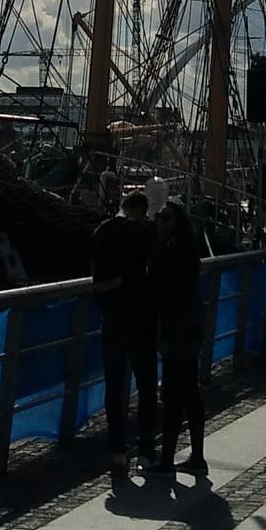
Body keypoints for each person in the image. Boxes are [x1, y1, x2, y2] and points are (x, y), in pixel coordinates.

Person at [90, 185, 158, 483]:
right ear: (142, 211)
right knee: (145, 384)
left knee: (114, 386)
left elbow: (95, 271)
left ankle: (117, 449)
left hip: (111, 316)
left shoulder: (102, 232)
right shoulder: (144, 233)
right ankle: (145, 449)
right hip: (140, 314)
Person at [153, 196, 208, 481]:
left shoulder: (172, 251)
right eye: (158, 218)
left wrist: (165, 333)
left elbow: (170, 296)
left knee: (175, 393)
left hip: (178, 329)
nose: (159, 223)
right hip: (192, 325)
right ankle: (196, 455)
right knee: (190, 391)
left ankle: (167, 458)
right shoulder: (188, 248)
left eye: (164, 218)